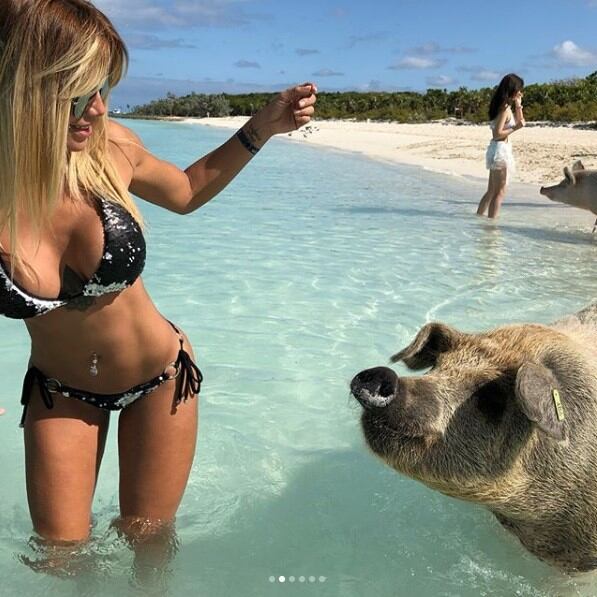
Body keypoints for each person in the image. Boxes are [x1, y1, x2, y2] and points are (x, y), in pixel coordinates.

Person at [0, 0, 317, 570]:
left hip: (160, 377)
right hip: (59, 390)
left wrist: (261, 128)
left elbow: (188, 191)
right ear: (25, 86)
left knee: (148, 545)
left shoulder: (110, 147)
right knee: (58, 558)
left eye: (103, 89)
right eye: (78, 91)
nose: (96, 108)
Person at [476, 74, 525, 219]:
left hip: (497, 149)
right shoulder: (504, 108)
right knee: (499, 192)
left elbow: (521, 120)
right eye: (519, 90)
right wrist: (515, 128)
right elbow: (497, 133)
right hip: (500, 149)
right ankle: (491, 226)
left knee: (491, 190)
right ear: (513, 89)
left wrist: (518, 104)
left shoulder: (504, 106)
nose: (520, 92)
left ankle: (479, 219)